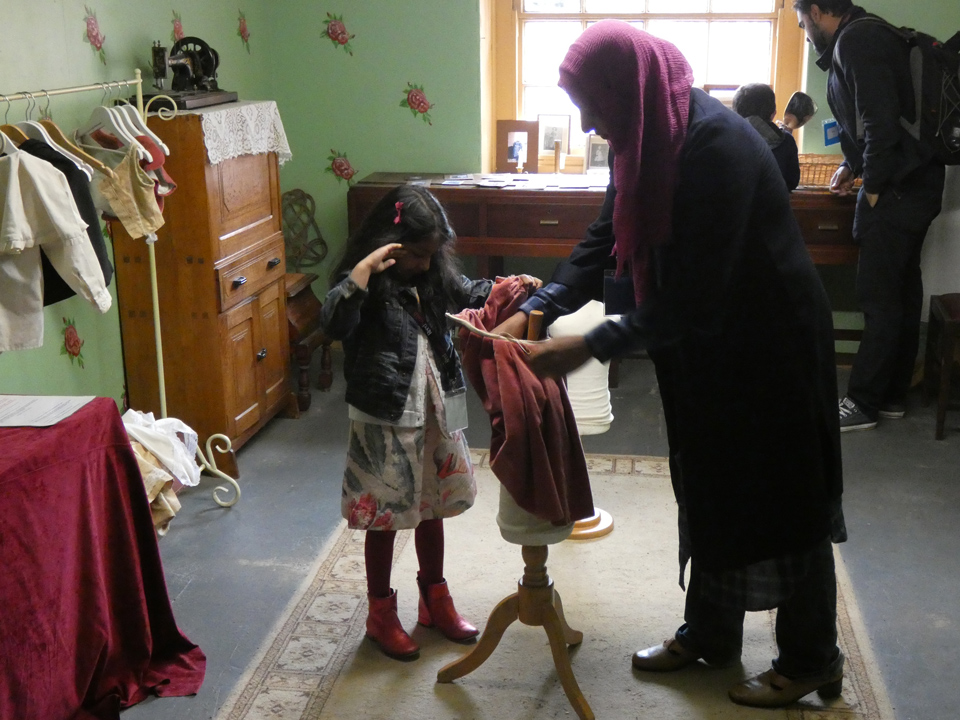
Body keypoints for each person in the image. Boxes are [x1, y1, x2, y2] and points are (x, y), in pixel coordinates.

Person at [493, 21, 846, 708]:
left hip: (769, 343)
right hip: (705, 341)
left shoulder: (714, 148)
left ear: (628, 90)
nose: (588, 123)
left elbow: (696, 296)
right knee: (708, 481)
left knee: (783, 499)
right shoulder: (644, 135)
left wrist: (586, 344)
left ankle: (811, 658)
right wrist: (545, 302)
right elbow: (607, 233)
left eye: (594, 104)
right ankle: (711, 632)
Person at [320, 185, 499, 661]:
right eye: (417, 254)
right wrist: (360, 275)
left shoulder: (433, 271)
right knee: (385, 514)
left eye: (432, 254)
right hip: (385, 411)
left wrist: (507, 289)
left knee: (433, 503)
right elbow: (333, 324)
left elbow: (468, 294)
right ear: (391, 245)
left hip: (437, 404)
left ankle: (433, 600)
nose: (426, 263)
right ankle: (381, 615)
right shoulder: (361, 282)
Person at [794, 0, 947, 430]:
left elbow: (879, 123)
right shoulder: (874, 33)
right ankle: (892, 395)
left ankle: (862, 403)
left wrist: (874, 189)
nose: (806, 33)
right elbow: (884, 121)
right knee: (900, 291)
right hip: (918, 183)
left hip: (898, 190)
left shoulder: (858, 39)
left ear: (820, 11)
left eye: (804, 21)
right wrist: (852, 165)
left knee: (878, 299)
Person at [732, 82, 801, 190]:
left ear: (735, 113)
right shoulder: (786, 140)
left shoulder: (726, 137)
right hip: (773, 204)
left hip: (736, 204)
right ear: (773, 113)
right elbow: (792, 182)